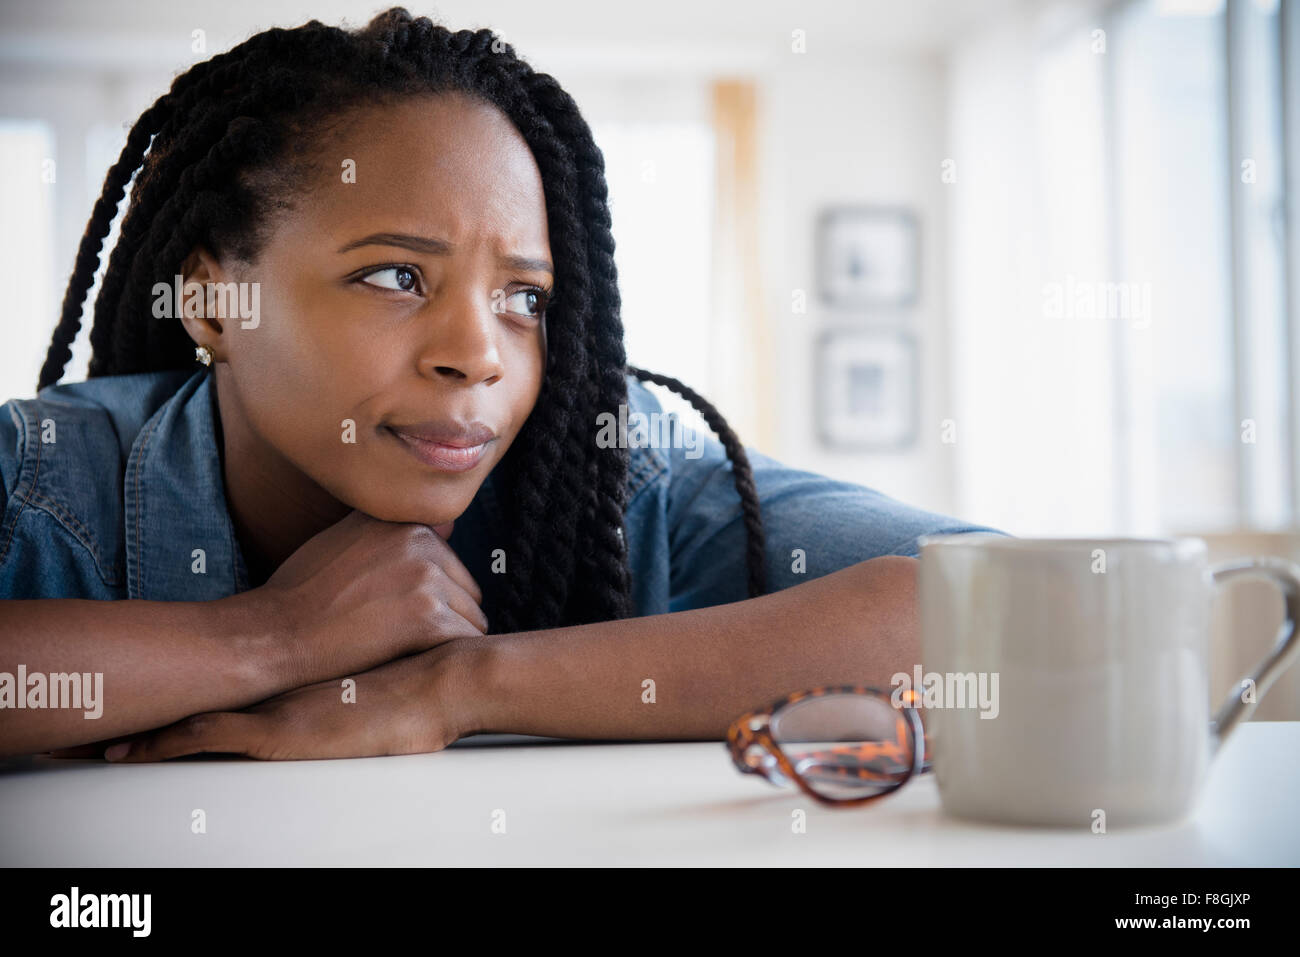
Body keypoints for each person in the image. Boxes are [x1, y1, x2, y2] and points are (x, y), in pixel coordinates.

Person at [0, 8, 1005, 761]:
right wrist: (272, 638)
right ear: (215, 302)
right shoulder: (45, 478)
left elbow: (1000, 619)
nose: (477, 354)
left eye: (523, 298)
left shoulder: (618, 476)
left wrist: (463, 685)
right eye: (396, 277)